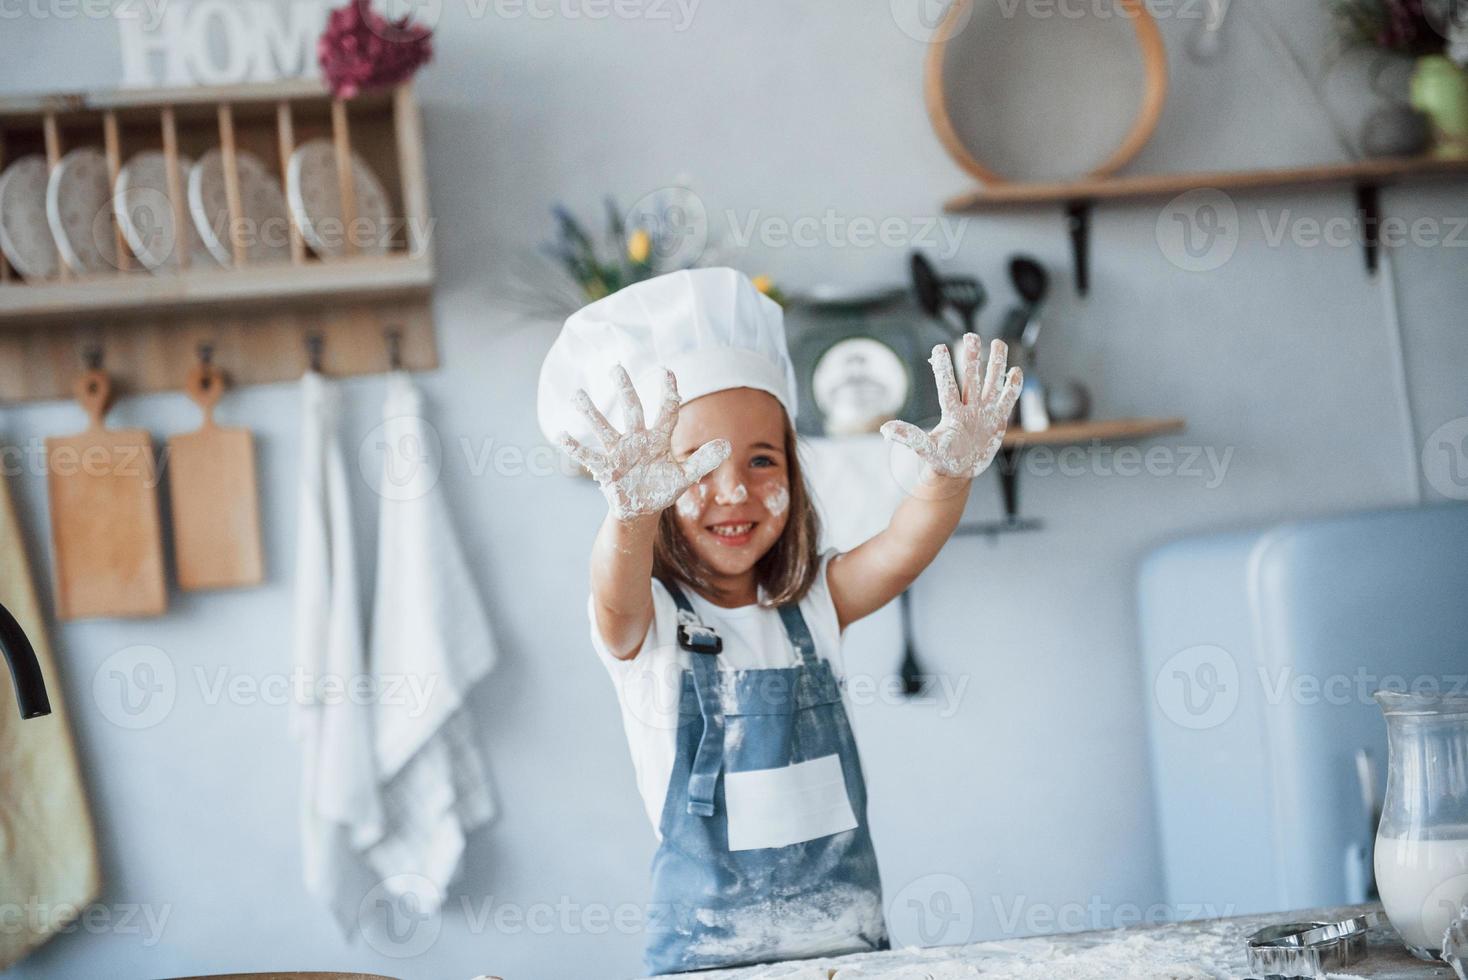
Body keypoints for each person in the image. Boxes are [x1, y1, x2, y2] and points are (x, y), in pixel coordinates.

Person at [537, 267, 1022, 975]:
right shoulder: (650, 628)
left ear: (795, 472)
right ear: (648, 483)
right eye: (696, 465)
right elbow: (614, 597)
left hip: (849, 955)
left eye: (763, 459)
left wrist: (948, 479)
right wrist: (630, 514)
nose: (734, 490)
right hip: (708, 962)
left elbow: (900, 550)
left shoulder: (812, 606)